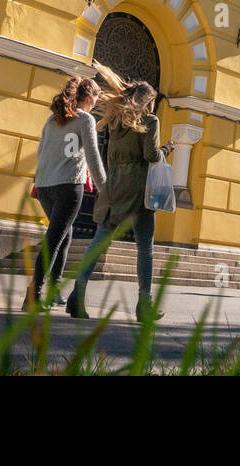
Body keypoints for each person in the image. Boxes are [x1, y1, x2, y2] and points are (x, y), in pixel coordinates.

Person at [67, 63, 172, 321]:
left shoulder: (115, 121)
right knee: (145, 247)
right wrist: (168, 149)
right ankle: (144, 305)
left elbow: (111, 154)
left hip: (114, 185)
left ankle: (77, 295)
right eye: (152, 102)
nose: (153, 107)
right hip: (139, 188)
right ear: (147, 102)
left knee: (99, 241)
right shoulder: (151, 121)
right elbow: (151, 155)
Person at [23, 77, 106, 310]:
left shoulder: (52, 119)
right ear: (88, 97)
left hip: (46, 187)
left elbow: (41, 152)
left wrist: (37, 181)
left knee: (64, 234)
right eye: (96, 99)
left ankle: (55, 290)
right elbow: (92, 157)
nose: (95, 104)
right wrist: (105, 189)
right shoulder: (86, 119)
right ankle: (34, 294)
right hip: (69, 186)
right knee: (54, 238)